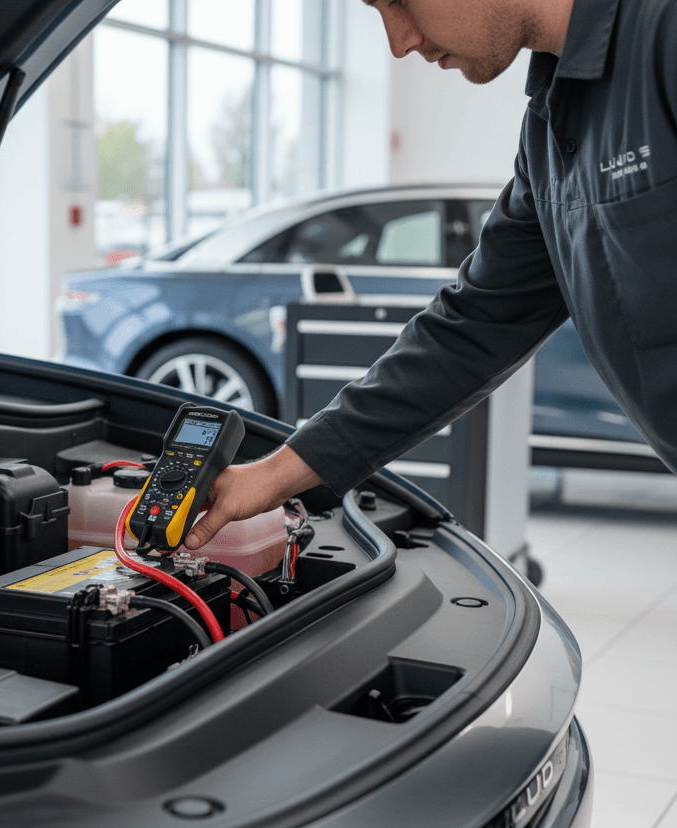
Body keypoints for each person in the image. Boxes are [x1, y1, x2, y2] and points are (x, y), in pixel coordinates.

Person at [185, 0, 677, 551]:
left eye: (397, 1)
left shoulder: (663, 33)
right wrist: (273, 476)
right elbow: (474, 326)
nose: (400, 42)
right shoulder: (549, 124)